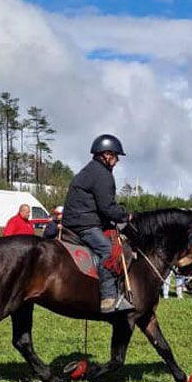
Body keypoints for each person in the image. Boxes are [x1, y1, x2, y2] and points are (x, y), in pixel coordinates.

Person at [62, 134, 133, 313]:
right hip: (85, 224)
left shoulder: (91, 170)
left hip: (79, 220)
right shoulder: (102, 175)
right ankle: (108, 298)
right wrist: (126, 216)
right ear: (106, 155)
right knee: (109, 252)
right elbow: (107, 207)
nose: (117, 161)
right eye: (116, 156)